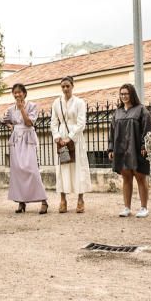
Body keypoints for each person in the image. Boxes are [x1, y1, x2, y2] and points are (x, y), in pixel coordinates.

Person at [2, 83, 48, 214]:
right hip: (16, 140)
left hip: (28, 139)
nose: (17, 94)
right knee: (17, 170)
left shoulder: (32, 106)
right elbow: (5, 120)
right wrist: (12, 127)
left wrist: (22, 109)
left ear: (24, 93)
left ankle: (44, 200)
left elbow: (29, 123)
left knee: (32, 170)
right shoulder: (10, 109)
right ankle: (21, 202)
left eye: (19, 92)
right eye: (15, 92)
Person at [108, 83, 151, 218]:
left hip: (138, 149)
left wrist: (145, 145)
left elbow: (147, 130)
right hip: (121, 149)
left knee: (140, 177)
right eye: (122, 94)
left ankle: (144, 207)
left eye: (126, 93)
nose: (124, 96)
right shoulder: (117, 112)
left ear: (132, 94)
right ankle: (127, 207)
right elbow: (112, 132)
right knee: (126, 178)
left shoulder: (141, 110)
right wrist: (111, 148)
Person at [49, 76, 90, 213]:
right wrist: (57, 136)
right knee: (62, 168)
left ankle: (80, 199)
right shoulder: (56, 103)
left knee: (78, 167)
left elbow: (81, 122)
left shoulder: (79, 102)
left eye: (68, 86)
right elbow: (54, 122)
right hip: (61, 138)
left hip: (76, 138)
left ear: (72, 86)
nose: (65, 89)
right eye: (63, 86)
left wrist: (70, 137)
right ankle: (63, 199)